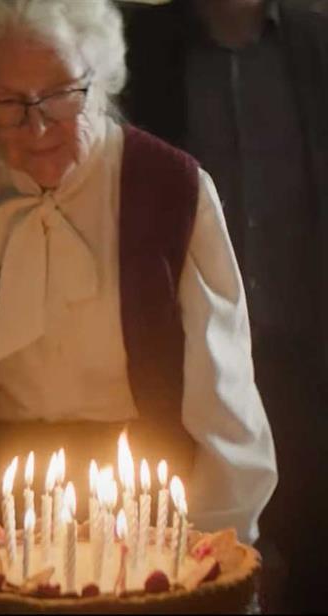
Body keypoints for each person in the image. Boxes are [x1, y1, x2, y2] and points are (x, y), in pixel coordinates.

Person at [0, 0, 277, 545]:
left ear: (101, 79)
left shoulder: (172, 187)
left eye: (62, 94)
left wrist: (218, 537)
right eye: (9, 101)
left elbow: (222, 387)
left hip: (146, 494)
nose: (37, 126)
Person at [120, 0, 328, 607]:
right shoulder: (136, 41)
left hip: (309, 352)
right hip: (185, 365)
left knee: (314, 551)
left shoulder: (319, 40)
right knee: (201, 569)